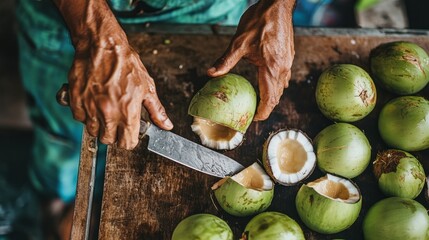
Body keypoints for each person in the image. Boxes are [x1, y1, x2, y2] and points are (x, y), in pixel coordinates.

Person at [9, 0, 334, 238]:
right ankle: (58, 201)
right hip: (66, 16)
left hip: (204, 9)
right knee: (67, 135)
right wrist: (91, 29)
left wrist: (279, 4)